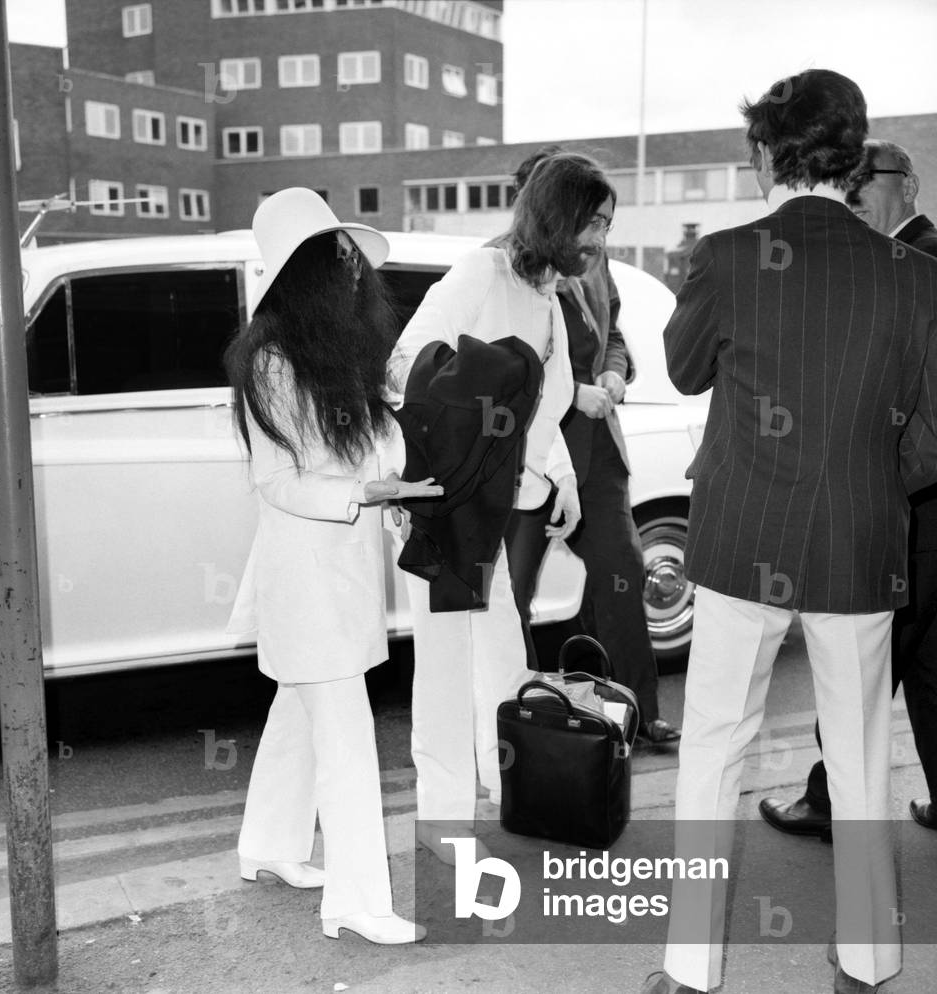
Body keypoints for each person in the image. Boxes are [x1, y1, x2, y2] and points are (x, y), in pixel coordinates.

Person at [642, 71, 937, 994]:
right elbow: (931, 433)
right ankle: (868, 962)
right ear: (856, 159)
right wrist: (874, 484)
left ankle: (691, 974)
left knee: (713, 747)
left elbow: (686, 372)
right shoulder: (916, 275)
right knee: (857, 754)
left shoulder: (728, 256)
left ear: (768, 153)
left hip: (738, 540)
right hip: (859, 541)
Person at [224, 188, 442, 945]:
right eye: (341, 257)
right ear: (308, 271)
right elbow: (276, 480)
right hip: (305, 576)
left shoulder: (332, 355)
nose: (357, 271)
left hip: (334, 568)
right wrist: (365, 491)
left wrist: (387, 484)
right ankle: (355, 901)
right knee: (346, 738)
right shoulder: (274, 363)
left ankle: (268, 846)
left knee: (298, 715)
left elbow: (375, 454)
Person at [389, 154, 608, 861]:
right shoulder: (482, 273)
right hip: (452, 506)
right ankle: (445, 822)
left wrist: (561, 475)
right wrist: (451, 459)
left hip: (502, 504)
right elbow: (407, 364)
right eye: (593, 223)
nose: (601, 240)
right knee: (448, 666)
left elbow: (548, 399)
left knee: (502, 653)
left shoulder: (545, 294)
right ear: (557, 215)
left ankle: (505, 782)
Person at [758, 139, 937, 839]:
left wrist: (883, 480)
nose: (857, 188)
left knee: (862, 661)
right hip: (920, 509)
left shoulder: (915, 263)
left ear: (912, 185)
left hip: (909, 506)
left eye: (874, 176)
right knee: (922, 663)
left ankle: (830, 801)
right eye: (850, 176)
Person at [501, 147, 681, 744]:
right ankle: (519, 723)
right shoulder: (499, 265)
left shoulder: (595, 259)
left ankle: (636, 711)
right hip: (527, 455)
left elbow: (616, 336)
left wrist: (610, 375)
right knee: (513, 595)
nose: (592, 232)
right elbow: (499, 366)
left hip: (597, 455)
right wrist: (570, 391)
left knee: (623, 575)